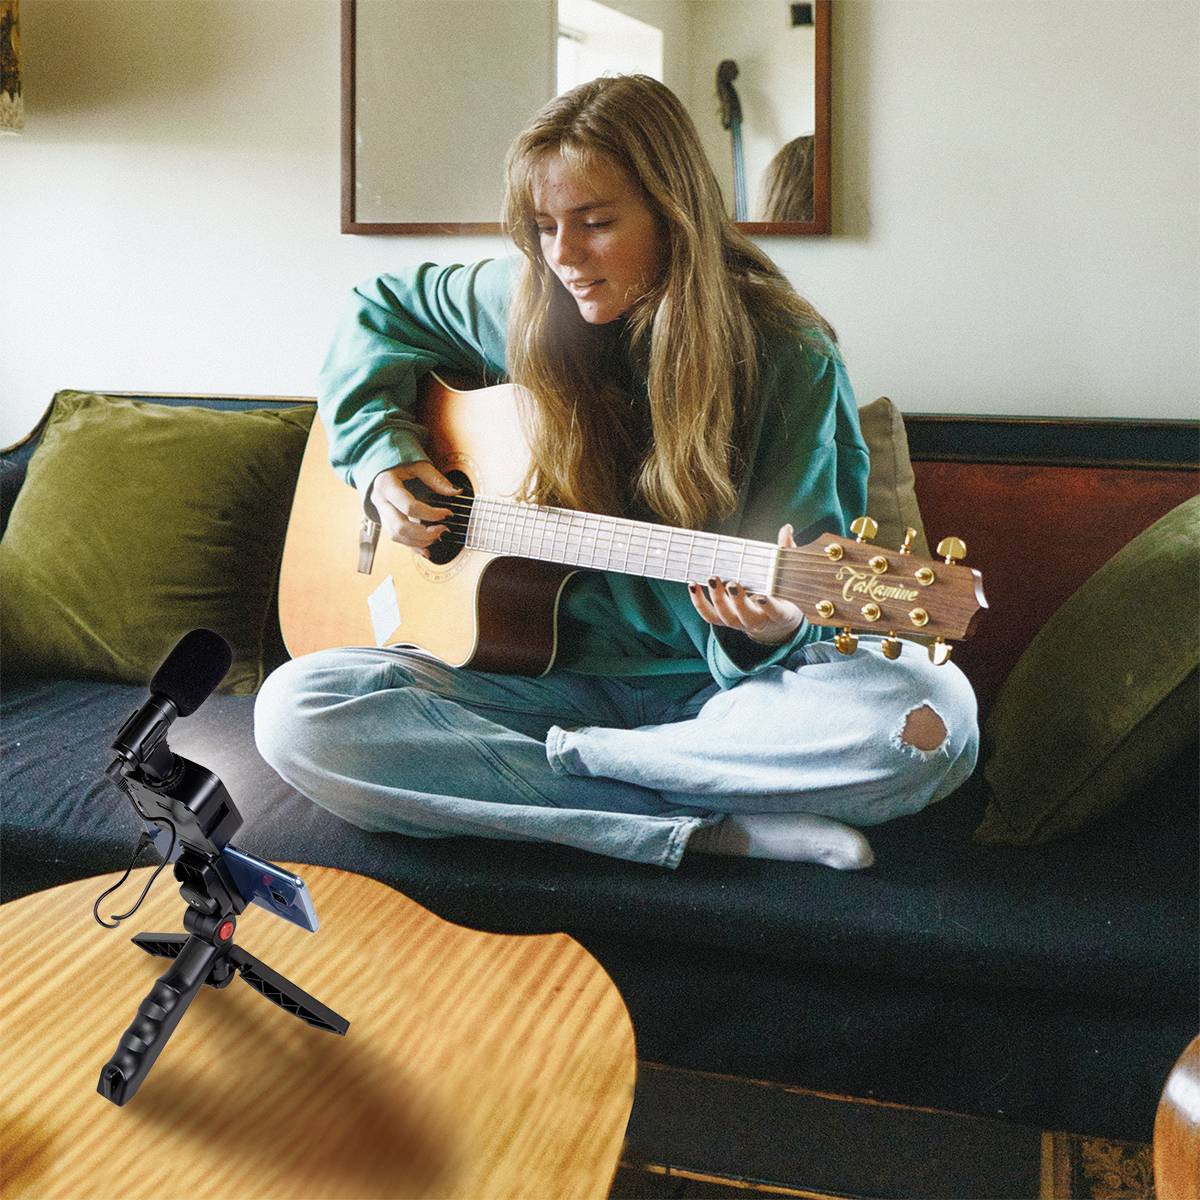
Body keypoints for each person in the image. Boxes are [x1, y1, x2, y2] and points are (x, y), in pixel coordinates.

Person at [254, 75, 978, 871]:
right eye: (543, 227)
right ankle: (711, 823)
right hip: (528, 685)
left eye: (596, 223)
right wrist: (381, 460)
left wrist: (770, 627)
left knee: (930, 721)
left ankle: (587, 776)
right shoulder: (523, 303)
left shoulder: (789, 360)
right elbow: (375, 310)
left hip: (716, 701)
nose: (564, 255)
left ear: (673, 214)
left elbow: (798, 595)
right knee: (296, 713)